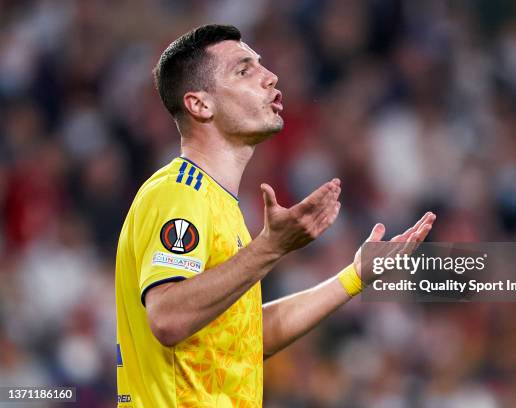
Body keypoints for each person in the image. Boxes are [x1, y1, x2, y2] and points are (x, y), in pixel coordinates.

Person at [115, 24, 436, 408]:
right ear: (200, 104)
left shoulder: (219, 203)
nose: (270, 78)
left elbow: (248, 337)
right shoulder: (179, 192)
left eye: (262, 66)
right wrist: (270, 248)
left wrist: (354, 277)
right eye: (244, 71)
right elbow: (167, 317)